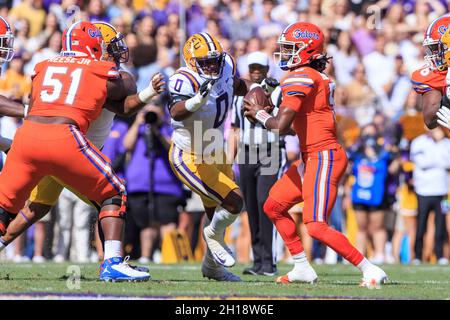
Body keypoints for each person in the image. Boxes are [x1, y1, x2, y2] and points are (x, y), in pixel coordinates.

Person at [0, 21, 162, 282]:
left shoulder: (43, 66)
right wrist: (145, 90)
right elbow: (125, 92)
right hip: (67, 144)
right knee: (113, 193)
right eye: (106, 46)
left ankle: (109, 261)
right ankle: (110, 262)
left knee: (8, 207)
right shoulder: (100, 69)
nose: (113, 52)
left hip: (28, 138)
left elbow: (35, 104)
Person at [243, 22, 388, 287]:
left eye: (290, 49)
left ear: (306, 49)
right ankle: (301, 267)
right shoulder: (309, 76)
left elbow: (281, 126)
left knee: (316, 225)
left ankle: (370, 269)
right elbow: (294, 124)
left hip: (324, 157)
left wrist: (260, 114)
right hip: (312, 156)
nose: (284, 54)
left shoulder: (301, 77)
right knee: (273, 206)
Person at [167, 32, 251, 281]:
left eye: (215, 59)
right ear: (192, 62)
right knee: (234, 202)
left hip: (214, 147)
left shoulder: (226, 65)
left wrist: (256, 89)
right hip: (189, 155)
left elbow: (236, 85)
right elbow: (176, 111)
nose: (213, 65)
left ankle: (212, 268)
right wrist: (196, 100)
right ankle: (212, 236)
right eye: (206, 62)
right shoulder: (184, 79)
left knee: (216, 213)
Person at [228, 51, 282, 276]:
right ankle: (258, 260)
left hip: (270, 151)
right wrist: (228, 163)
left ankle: (269, 261)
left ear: (267, 69)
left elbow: (281, 123)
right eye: (253, 67)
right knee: (250, 205)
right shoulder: (240, 95)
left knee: (264, 203)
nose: (256, 71)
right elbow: (235, 129)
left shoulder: (278, 92)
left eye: (260, 67)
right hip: (247, 152)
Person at [123, 102, 185, 263]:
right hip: (141, 184)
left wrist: (159, 126)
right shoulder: (139, 127)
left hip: (167, 185)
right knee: (146, 223)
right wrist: (138, 122)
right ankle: (146, 256)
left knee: (167, 221)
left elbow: (173, 147)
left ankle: (170, 257)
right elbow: (127, 145)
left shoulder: (168, 127)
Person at [410, 126, 450, 265]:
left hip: (443, 192)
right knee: (421, 224)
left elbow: (448, 162)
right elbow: (422, 163)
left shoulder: (446, 143)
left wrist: (438, 146)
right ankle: (417, 255)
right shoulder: (418, 142)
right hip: (423, 191)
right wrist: (439, 161)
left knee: (441, 224)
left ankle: (440, 255)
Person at [410, 14, 450, 130]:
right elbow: (429, 119)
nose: (432, 53)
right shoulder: (434, 74)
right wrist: (447, 100)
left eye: (436, 48)